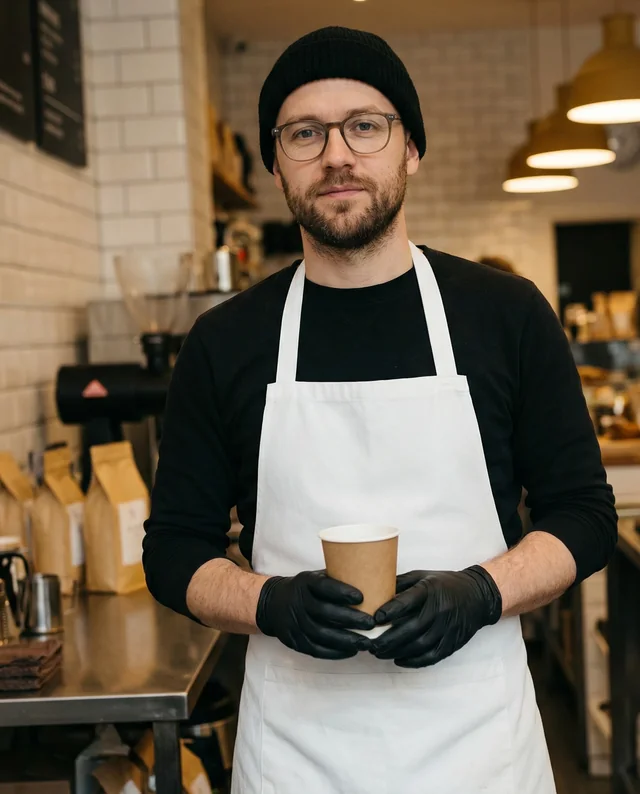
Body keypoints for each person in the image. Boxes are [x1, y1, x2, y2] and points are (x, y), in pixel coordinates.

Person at [143, 26, 617, 794]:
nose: (337, 154)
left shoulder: (506, 315)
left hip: (479, 745)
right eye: (304, 133)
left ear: (410, 150)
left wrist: (483, 591)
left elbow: (585, 516)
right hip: (297, 753)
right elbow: (172, 552)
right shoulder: (224, 341)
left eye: (365, 125)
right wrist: (269, 602)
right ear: (275, 165)